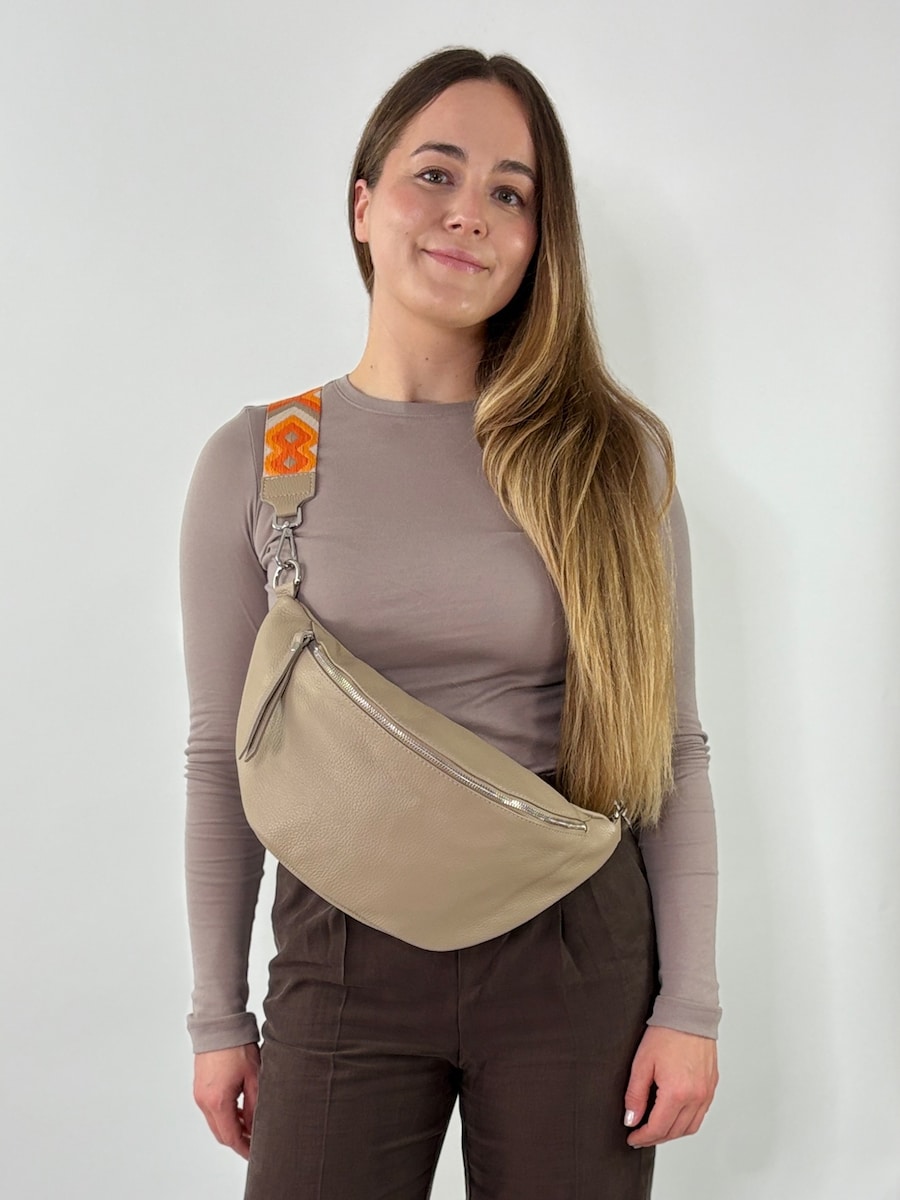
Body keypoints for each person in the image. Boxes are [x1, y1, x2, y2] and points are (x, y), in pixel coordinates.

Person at [180, 46, 720, 1200]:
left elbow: (671, 748)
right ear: (363, 206)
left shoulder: (610, 463)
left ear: (537, 242)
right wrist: (216, 1014)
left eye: (511, 193)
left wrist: (691, 1006)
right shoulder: (265, 458)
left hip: (573, 944)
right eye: (436, 174)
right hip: (339, 945)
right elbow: (220, 756)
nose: (470, 213)